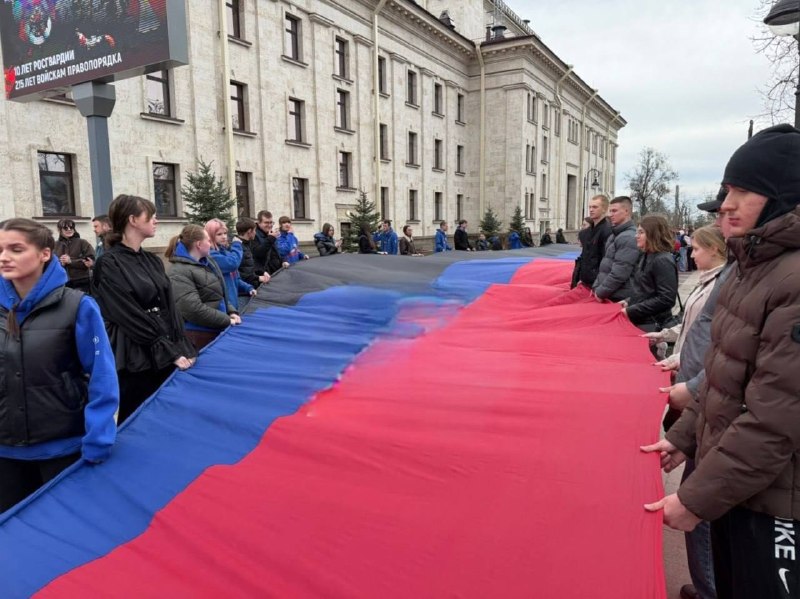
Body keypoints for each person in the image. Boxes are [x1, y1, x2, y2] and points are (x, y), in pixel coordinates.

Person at [641, 124, 800, 599]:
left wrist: (695, 499)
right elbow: (725, 380)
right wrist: (685, 437)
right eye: (727, 188)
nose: (724, 203)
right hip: (739, 486)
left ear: (782, 200)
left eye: (742, 190)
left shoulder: (792, 282)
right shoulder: (752, 270)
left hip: (778, 503)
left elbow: (776, 419)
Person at [0, 218, 118, 513]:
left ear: (44, 254)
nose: (4, 257)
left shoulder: (77, 306)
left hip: (62, 450)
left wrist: (99, 436)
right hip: (5, 456)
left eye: (16, 249)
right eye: (0, 249)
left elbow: (102, 375)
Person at [647, 204, 731, 599]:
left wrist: (694, 385)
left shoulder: (727, 282)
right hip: (700, 390)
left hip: (710, 398)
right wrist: (672, 345)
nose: (690, 254)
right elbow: (697, 330)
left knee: (703, 506)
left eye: (696, 248)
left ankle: (708, 588)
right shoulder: (708, 280)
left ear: (714, 249)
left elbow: (724, 348)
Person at [91, 194, 196, 424]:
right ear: (133, 220)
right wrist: (167, 349)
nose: (156, 220)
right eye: (151, 216)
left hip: (164, 349)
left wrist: (180, 344)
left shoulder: (152, 261)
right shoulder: (108, 264)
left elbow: (170, 306)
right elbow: (126, 313)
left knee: (168, 416)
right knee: (138, 418)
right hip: (135, 356)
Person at [167, 225, 241, 351]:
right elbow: (193, 310)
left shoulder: (207, 261)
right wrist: (226, 320)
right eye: (208, 240)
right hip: (199, 335)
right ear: (199, 244)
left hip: (216, 328)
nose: (211, 243)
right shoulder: (178, 272)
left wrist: (231, 311)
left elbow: (219, 294)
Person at [620, 214, 678, 331]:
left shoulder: (662, 260)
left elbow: (666, 299)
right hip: (643, 320)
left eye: (641, 232)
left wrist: (632, 310)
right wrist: (629, 302)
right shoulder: (646, 256)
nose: (636, 236)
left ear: (653, 234)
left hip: (653, 323)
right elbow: (645, 290)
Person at [592, 196, 638, 302]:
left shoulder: (628, 237)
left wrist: (600, 292)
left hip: (618, 296)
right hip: (610, 294)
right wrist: (597, 286)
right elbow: (605, 266)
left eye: (614, 211)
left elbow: (620, 272)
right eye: (610, 211)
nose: (610, 214)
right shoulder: (616, 235)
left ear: (626, 211)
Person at [205, 218, 255, 313]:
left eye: (225, 233)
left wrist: (248, 288)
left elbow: (235, 278)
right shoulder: (211, 255)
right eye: (219, 234)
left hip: (232, 305)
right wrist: (237, 245)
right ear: (210, 236)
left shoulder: (226, 253)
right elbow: (233, 263)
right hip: (222, 308)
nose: (224, 237)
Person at [573, 194, 612, 289]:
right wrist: (580, 279)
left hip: (597, 283)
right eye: (590, 207)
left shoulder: (608, 231)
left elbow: (606, 260)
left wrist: (600, 284)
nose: (591, 210)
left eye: (595, 207)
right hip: (586, 281)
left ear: (604, 209)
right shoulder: (586, 233)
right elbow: (585, 257)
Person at [55, 218, 94, 292]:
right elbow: (52, 263)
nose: (69, 229)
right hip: (62, 282)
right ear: (60, 230)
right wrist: (61, 263)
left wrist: (71, 261)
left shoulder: (82, 243)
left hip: (81, 281)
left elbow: (91, 261)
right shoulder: (55, 245)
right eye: (65, 228)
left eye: (71, 227)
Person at [234, 217, 270, 292]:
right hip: (244, 292)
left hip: (251, 288)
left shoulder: (247, 244)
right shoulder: (238, 248)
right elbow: (241, 273)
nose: (255, 233)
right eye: (254, 230)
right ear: (249, 231)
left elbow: (250, 265)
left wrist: (262, 272)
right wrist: (258, 278)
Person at [252, 211, 285, 275]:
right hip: (264, 274)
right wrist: (270, 239)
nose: (269, 225)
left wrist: (283, 261)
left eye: (271, 222)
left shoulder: (270, 233)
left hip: (275, 272)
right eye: (266, 223)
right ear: (259, 223)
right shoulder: (254, 235)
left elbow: (275, 253)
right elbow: (258, 253)